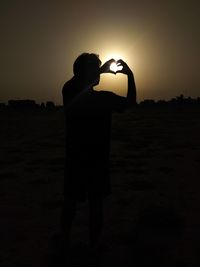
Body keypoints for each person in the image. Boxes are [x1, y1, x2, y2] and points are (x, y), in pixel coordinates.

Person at [61, 53, 137, 251]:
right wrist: (129, 76)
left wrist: (125, 74)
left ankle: (76, 242)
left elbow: (130, 103)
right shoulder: (96, 97)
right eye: (94, 68)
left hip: (82, 160)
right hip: (90, 161)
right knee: (83, 205)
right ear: (83, 73)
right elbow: (130, 101)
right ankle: (79, 243)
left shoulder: (76, 93)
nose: (98, 71)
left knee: (81, 204)